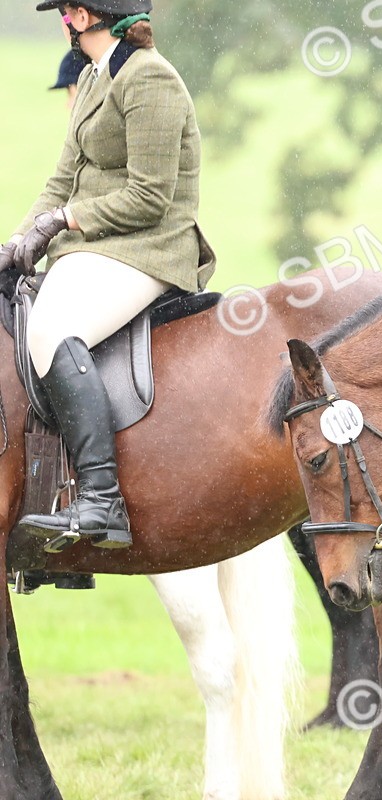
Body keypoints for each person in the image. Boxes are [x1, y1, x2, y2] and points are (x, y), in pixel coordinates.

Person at [0, 0, 216, 548]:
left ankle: (101, 500)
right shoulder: (98, 76)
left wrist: (64, 220)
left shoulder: (150, 79)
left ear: (89, 15)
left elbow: (149, 196)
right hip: (96, 246)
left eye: (68, 9)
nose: (62, 19)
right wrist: (19, 240)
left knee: (51, 332)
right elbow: (60, 181)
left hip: (150, 248)